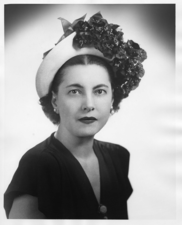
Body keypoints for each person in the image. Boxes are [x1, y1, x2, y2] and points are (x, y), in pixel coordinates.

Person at [4, 12, 147, 219]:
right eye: (74, 91)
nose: (89, 105)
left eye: (99, 91)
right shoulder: (37, 165)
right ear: (55, 101)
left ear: (112, 98)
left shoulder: (118, 157)